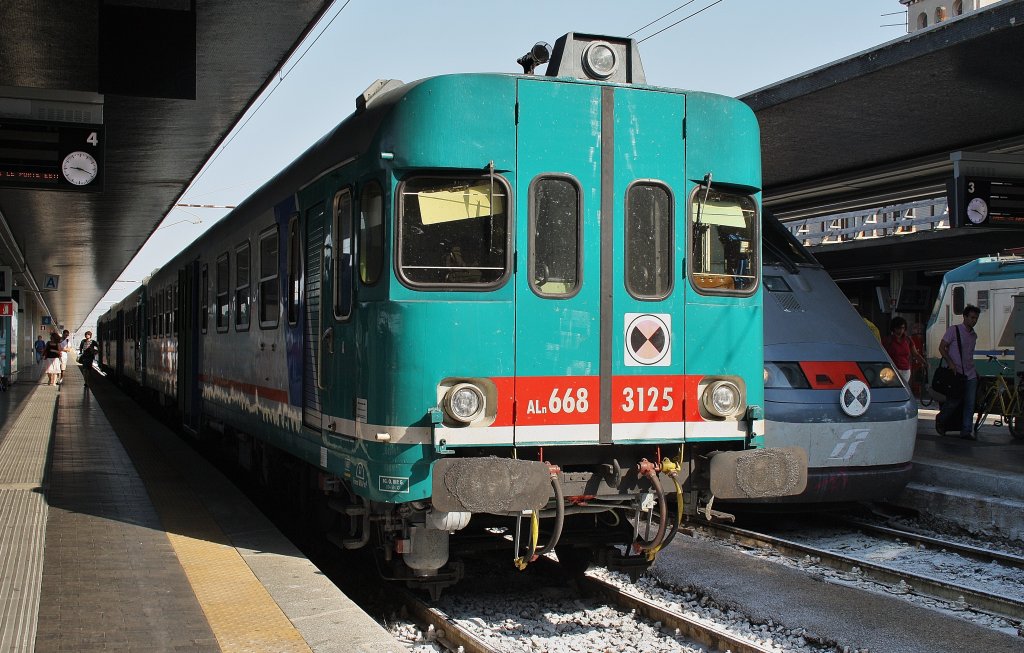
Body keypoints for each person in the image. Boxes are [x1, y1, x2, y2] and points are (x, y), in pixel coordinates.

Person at [936, 304, 980, 439]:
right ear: (965, 317)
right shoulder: (953, 330)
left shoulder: (974, 336)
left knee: (970, 403)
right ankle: (941, 419)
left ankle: (966, 431)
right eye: (972, 317)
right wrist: (950, 363)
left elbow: (969, 355)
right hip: (957, 374)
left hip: (970, 374)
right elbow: (942, 347)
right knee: (953, 401)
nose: (974, 320)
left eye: (976, 318)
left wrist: (975, 371)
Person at [883, 316, 926, 386]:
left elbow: (915, 354)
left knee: (903, 388)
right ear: (894, 328)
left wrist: (924, 363)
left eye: (902, 328)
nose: (901, 331)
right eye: (898, 328)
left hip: (906, 370)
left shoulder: (908, 340)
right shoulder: (888, 340)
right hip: (892, 370)